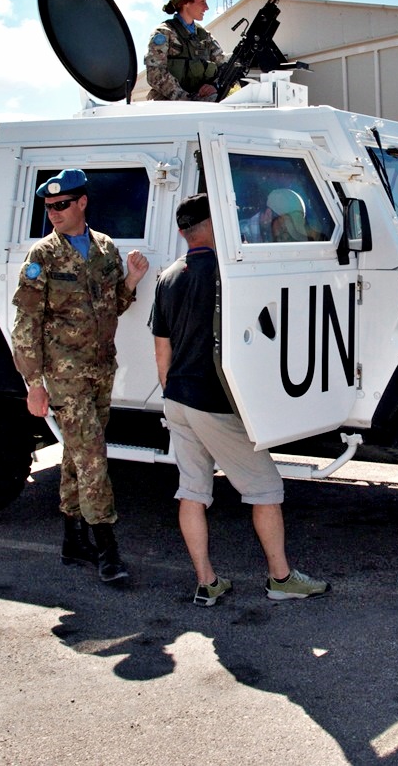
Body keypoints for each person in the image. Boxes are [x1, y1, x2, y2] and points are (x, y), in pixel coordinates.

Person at [149, 193, 329, 606]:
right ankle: (281, 579)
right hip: (212, 402)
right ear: (216, 226)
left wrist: (174, 395)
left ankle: (207, 583)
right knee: (266, 488)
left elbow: (162, 351)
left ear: (182, 232)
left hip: (178, 396)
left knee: (192, 490)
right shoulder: (230, 274)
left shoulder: (168, 277)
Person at [11, 168, 149, 584]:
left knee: (76, 455)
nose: (53, 213)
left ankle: (73, 539)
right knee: (92, 456)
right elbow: (25, 323)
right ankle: (107, 548)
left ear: (82, 203)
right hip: (64, 375)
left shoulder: (105, 249)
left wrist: (132, 281)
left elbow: (111, 307)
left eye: (61, 205)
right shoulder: (43, 257)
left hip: (101, 369)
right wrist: (34, 383)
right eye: (48, 207)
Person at [144, 0, 228, 101]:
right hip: (168, 105)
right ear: (186, 3)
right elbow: (155, 74)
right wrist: (185, 98)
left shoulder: (204, 36)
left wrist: (215, 85)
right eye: (202, 1)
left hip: (200, 102)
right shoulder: (164, 33)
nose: (207, 7)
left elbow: (223, 65)